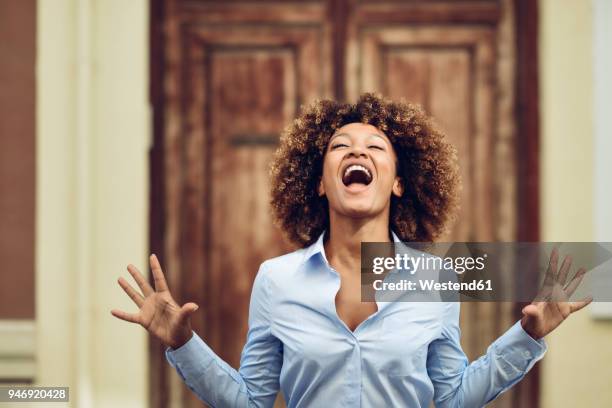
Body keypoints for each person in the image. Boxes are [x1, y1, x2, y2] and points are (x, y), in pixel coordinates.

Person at [112, 93, 591, 407]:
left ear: (400, 183)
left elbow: (452, 397)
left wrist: (527, 335)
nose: (357, 153)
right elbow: (251, 401)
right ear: (319, 183)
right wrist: (183, 343)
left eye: (375, 148)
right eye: (340, 146)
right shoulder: (276, 280)